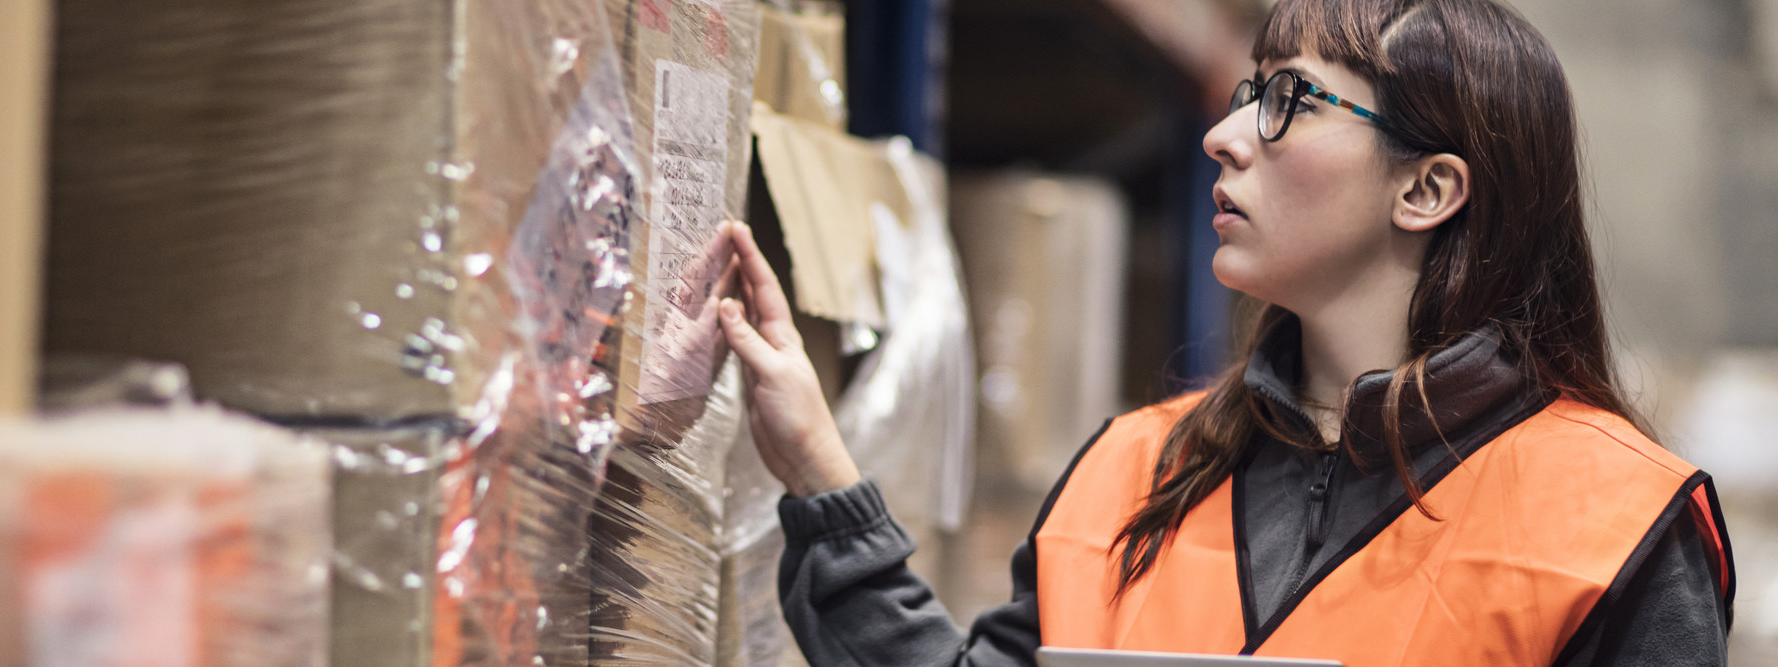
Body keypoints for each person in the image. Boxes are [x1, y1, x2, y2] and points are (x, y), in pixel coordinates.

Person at [713, 0, 1736, 664]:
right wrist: (817, 469)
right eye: (1249, 90)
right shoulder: (1130, 475)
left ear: (1427, 188)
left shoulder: (1613, 525)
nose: (1224, 134)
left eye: (1288, 99)